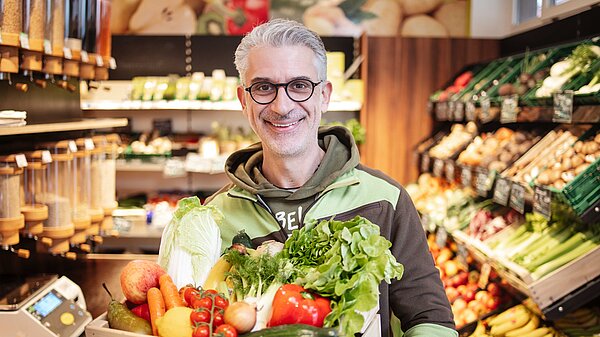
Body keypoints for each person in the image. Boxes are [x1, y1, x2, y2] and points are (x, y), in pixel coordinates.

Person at [205, 18, 457, 337]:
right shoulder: (214, 216)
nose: (282, 107)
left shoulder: (384, 200)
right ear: (244, 100)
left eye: (299, 86)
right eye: (264, 87)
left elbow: (429, 318)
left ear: (324, 96)